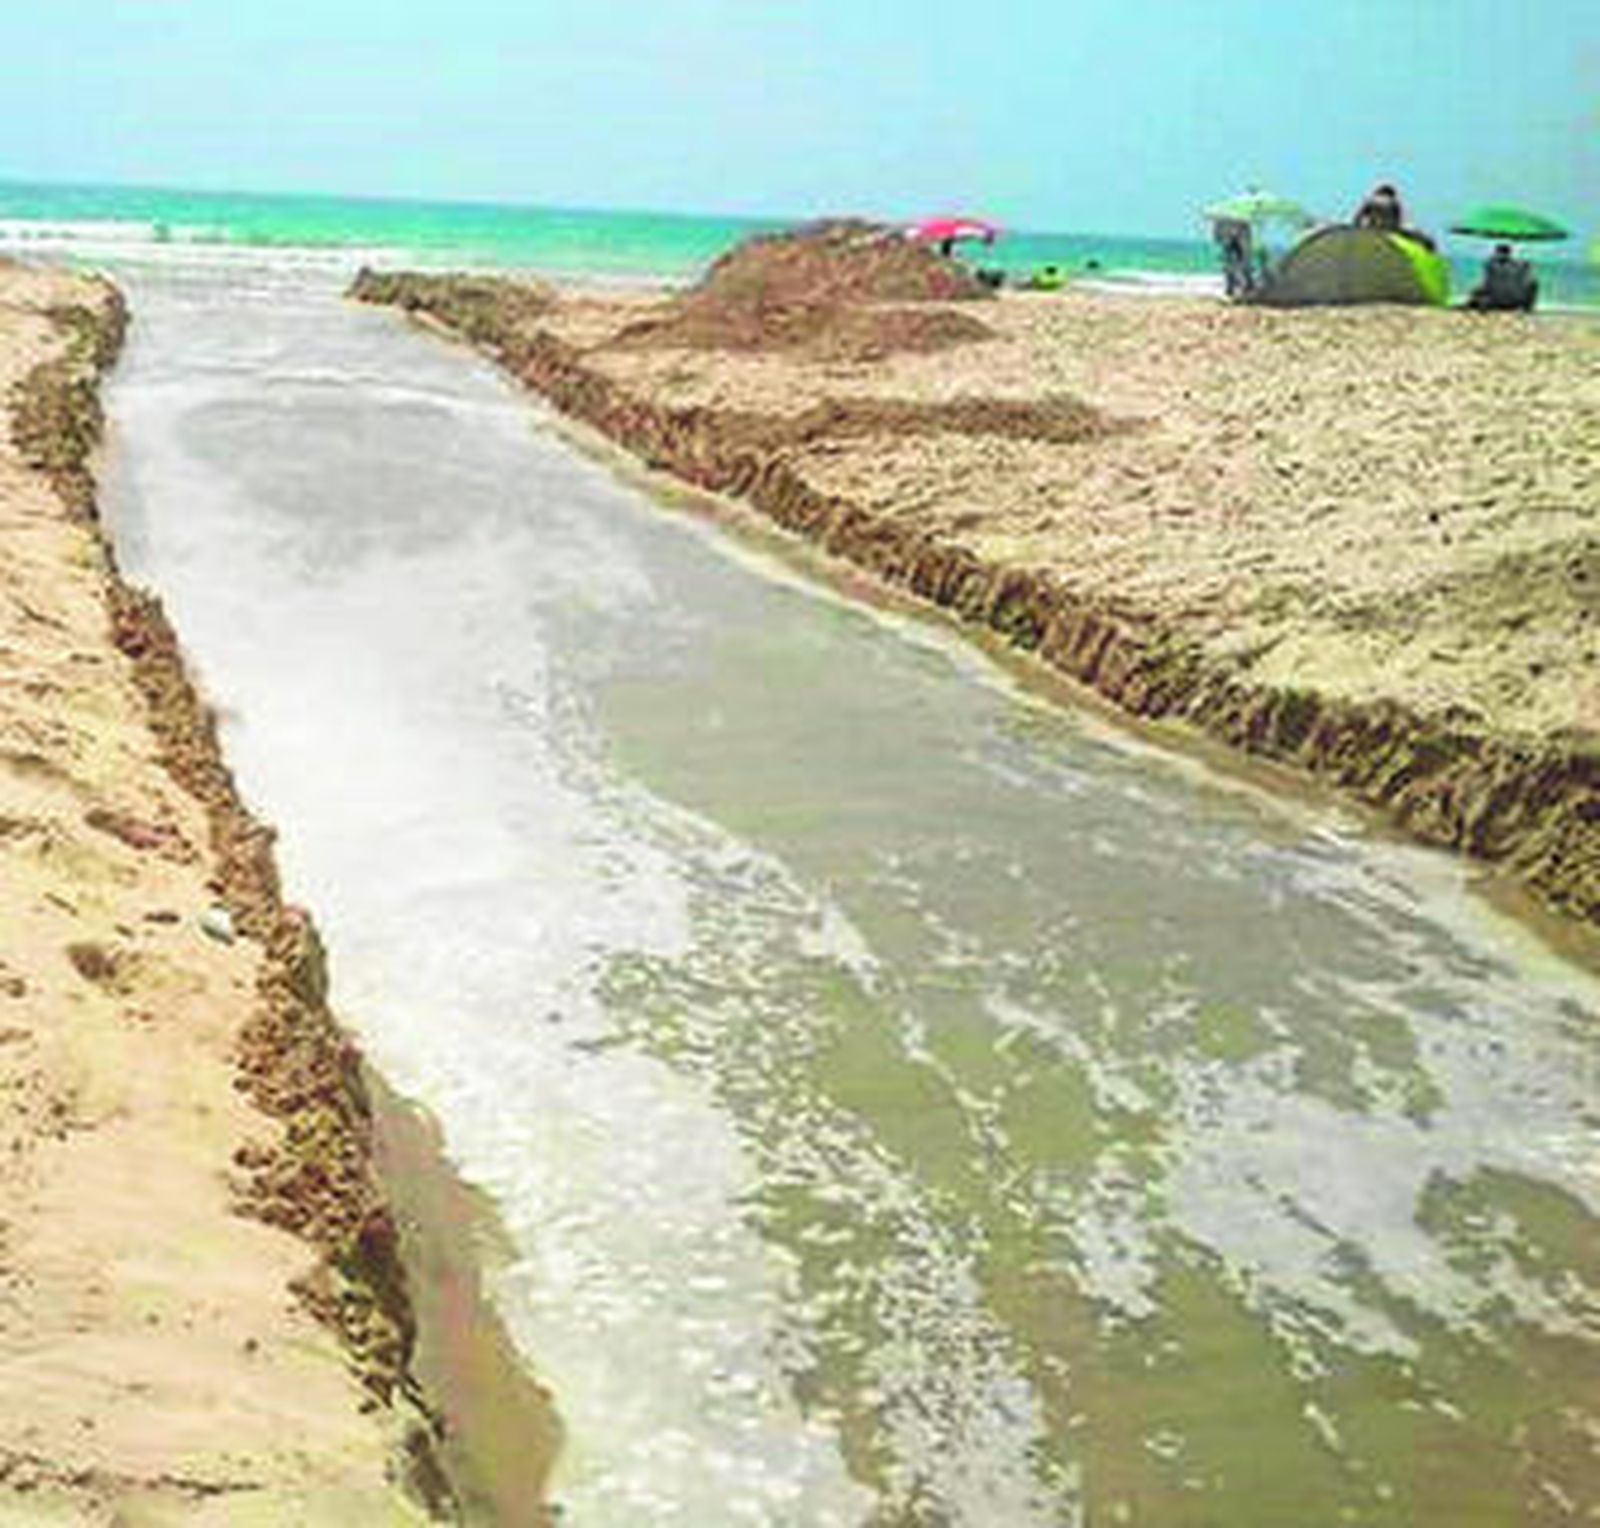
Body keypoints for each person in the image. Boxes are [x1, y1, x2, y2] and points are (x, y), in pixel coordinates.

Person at [1467, 243, 1538, 312]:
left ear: (1496, 252)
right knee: (1533, 283)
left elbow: (1487, 286)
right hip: (1515, 304)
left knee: (1477, 292)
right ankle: (1527, 308)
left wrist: (1476, 293)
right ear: (1510, 252)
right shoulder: (1522, 265)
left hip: (1497, 302)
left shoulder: (1491, 265)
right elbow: (1532, 283)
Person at [1213, 217, 1255, 298]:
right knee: (1232, 263)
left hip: (1238, 231)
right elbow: (1219, 239)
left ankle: (1243, 286)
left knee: (1239, 262)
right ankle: (1234, 287)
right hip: (1236, 231)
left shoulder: (1224, 222)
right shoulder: (1223, 222)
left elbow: (1218, 239)